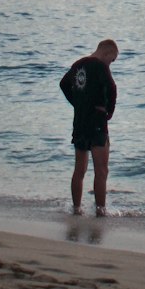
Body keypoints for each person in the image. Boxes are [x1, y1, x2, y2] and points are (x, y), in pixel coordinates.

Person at [59, 38, 118, 216]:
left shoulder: (78, 65)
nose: (111, 63)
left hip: (80, 121)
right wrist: (109, 113)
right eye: (112, 60)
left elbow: (63, 84)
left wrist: (77, 103)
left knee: (80, 169)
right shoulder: (100, 66)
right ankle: (100, 210)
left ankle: (76, 208)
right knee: (101, 170)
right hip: (97, 122)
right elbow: (112, 88)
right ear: (107, 53)